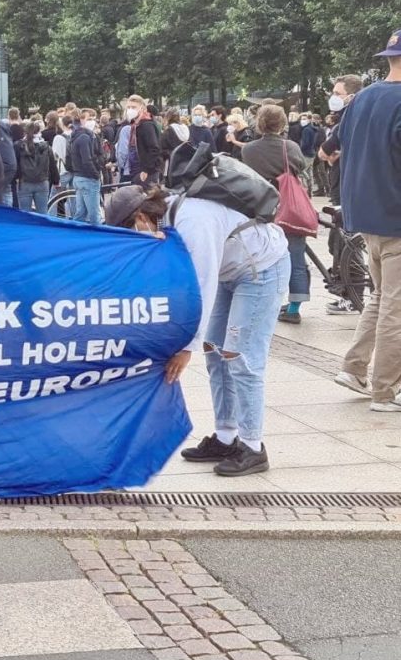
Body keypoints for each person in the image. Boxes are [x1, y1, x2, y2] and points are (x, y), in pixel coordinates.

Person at [106, 185, 289, 476]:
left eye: (131, 230)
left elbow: (201, 285)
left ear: (141, 216)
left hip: (261, 270)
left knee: (240, 358)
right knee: (215, 354)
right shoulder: (167, 219)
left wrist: (186, 348)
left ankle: (253, 447)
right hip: (229, 272)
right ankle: (226, 436)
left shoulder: (192, 221)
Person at [333, 30, 401, 412]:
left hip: (367, 216)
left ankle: (355, 367)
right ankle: (385, 391)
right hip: (396, 216)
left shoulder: (362, 98)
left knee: (380, 298)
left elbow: (337, 145)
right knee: (395, 306)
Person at [240, 105, 311, 324]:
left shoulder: (248, 149)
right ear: (282, 124)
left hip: (261, 208)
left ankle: (262, 301)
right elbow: (300, 168)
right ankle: (293, 307)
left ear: (259, 123)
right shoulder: (290, 147)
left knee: (260, 257)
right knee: (296, 255)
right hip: (288, 208)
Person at [319, 74, 364, 316]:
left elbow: (323, 152)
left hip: (349, 187)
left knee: (347, 243)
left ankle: (352, 296)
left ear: (351, 95)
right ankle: (349, 293)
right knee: (341, 242)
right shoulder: (350, 118)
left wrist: (335, 154)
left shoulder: (348, 118)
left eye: (338, 94)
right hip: (346, 185)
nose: (333, 98)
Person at [69, 108, 104, 224]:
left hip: (79, 177)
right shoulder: (85, 137)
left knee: (81, 213)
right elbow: (87, 160)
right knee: (94, 215)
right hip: (87, 178)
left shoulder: (77, 136)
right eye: (89, 118)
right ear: (82, 120)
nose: (92, 121)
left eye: (94, 119)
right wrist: (96, 175)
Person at [18, 124, 54, 213]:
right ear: (39, 132)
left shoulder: (19, 146)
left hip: (25, 182)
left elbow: (16, 164)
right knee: (43, 214)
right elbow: (52, 165)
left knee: (25, 215)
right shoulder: (46, 146)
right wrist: (56, 180)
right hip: (42, 182)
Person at [125, 94, 162, 185]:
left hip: (146, 170)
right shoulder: (136, 125)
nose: (130, 110)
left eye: (133, 107)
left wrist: (146, 169)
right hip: (137, 167)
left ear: (142, 108)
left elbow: (154, 149)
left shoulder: (146, 125)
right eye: (128, 107)